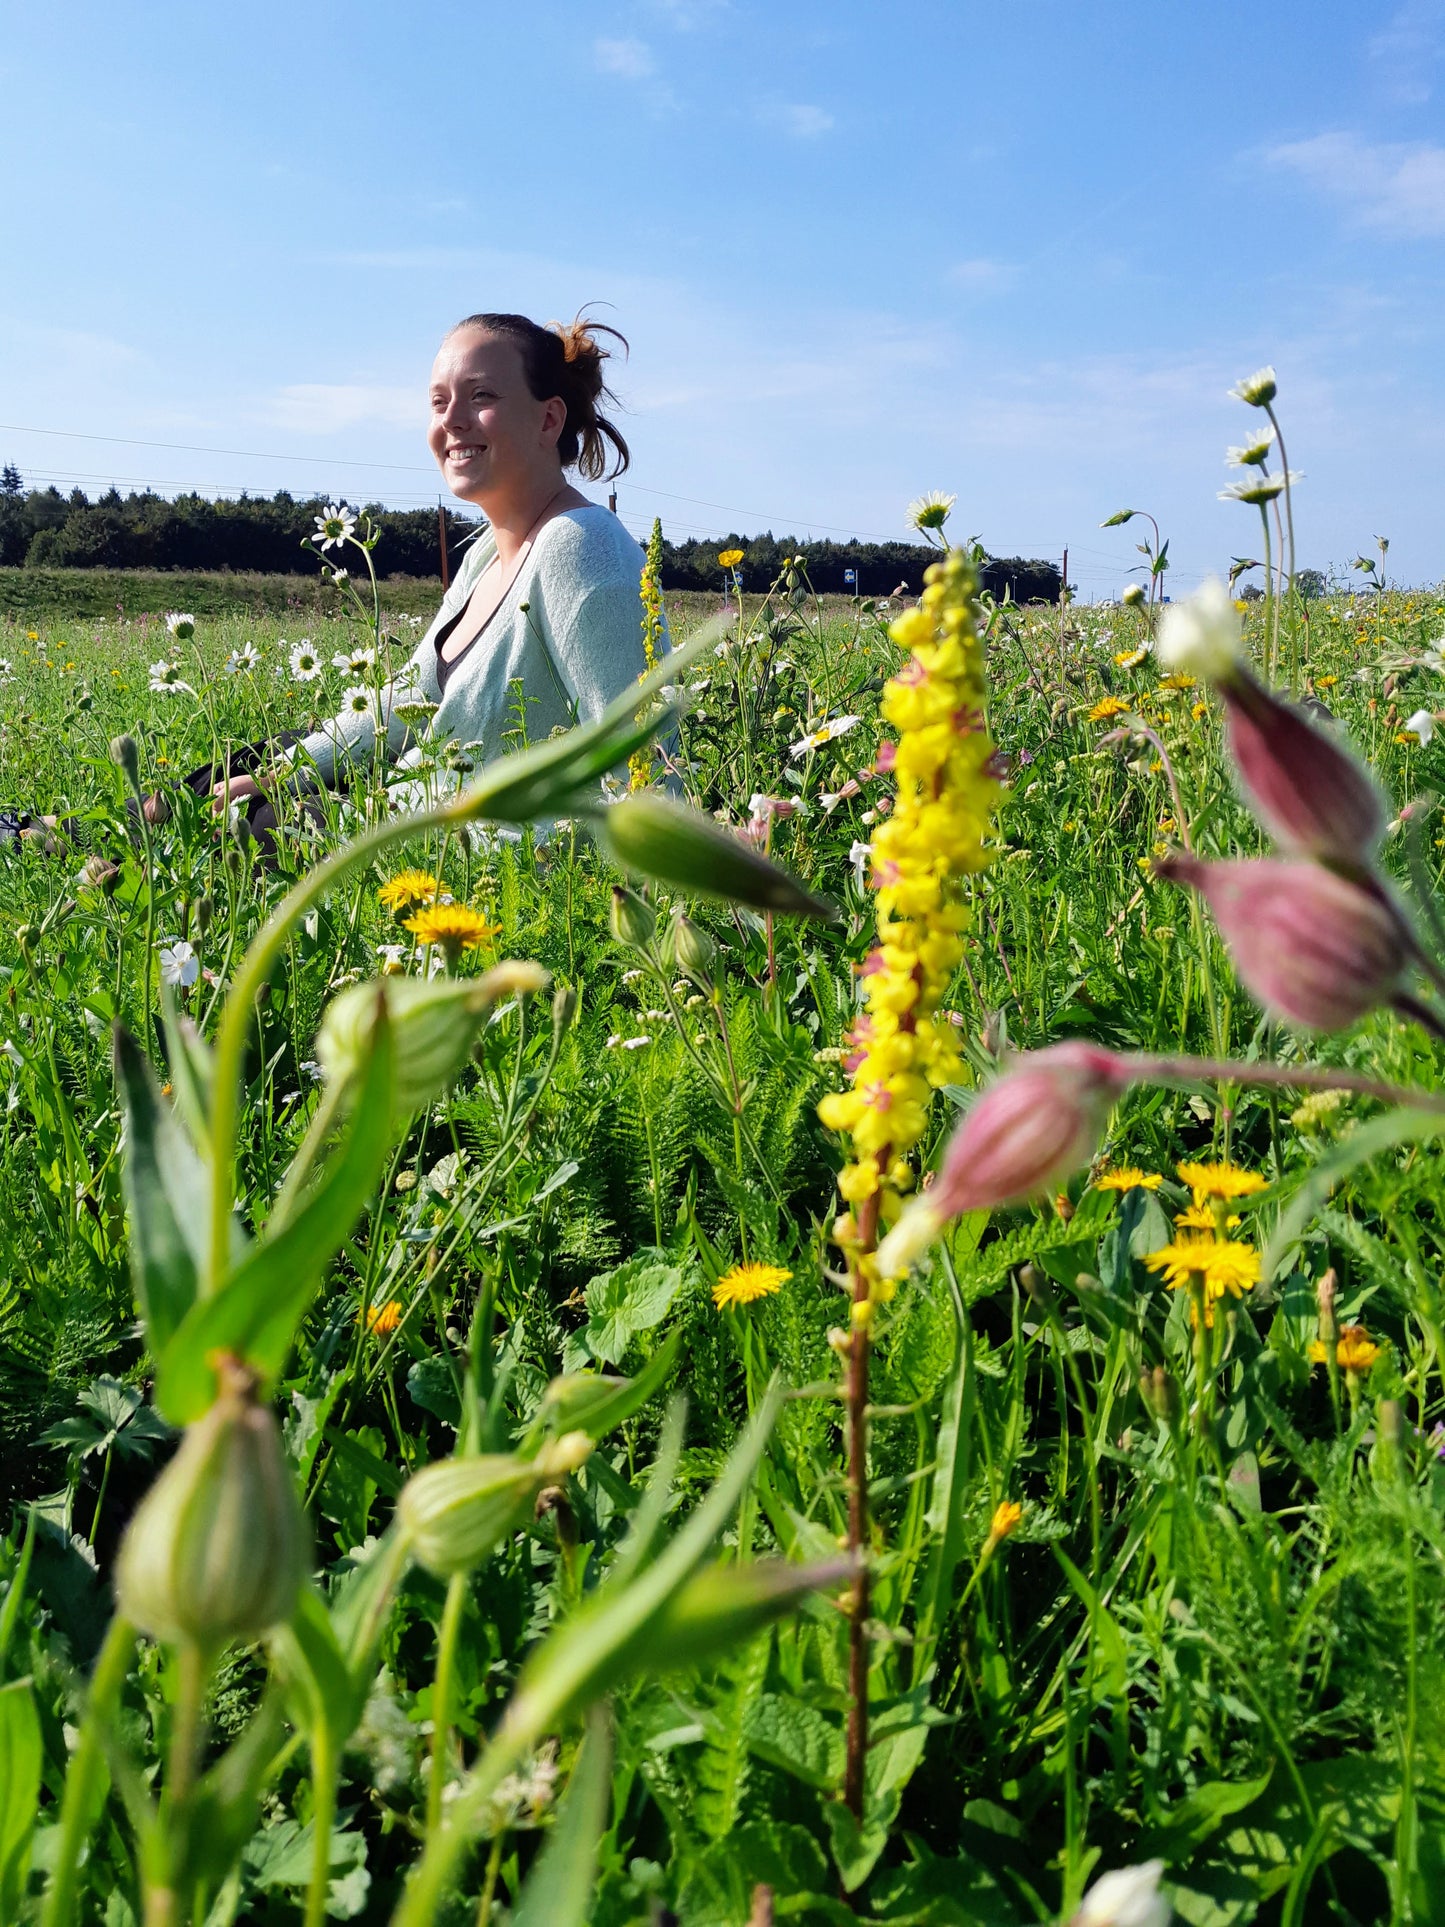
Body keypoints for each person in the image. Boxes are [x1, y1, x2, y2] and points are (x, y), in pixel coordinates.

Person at [212, 311, 653, 835]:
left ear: (548, 420)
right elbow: (407, 700)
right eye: (439, 402)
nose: (452, 421)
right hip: (405, 801)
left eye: (481, 396)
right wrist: (284, 774)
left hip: (457, 850)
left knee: (237, 825)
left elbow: (644, 774)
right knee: (230, 774)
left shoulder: (582, 546)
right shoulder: (488, 551)